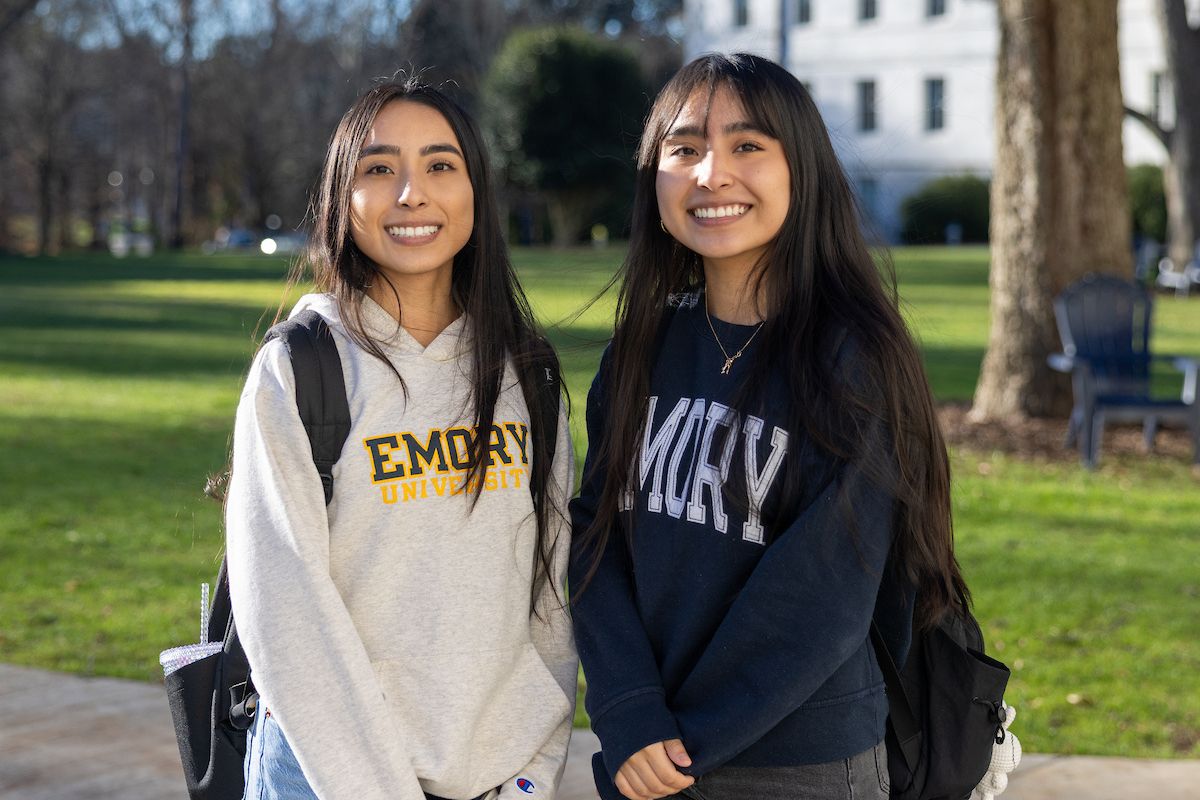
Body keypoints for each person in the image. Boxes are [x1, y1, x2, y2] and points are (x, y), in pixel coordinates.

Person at [568, 53, 969, 800]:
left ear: (801, 169)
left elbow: (824, 591)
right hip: (649, 756)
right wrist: (626, 712)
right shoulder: (643, 346)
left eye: (747, 146)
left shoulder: (853, 356)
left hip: (798, 764)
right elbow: (595, 538)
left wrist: (678, 739)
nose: (711, 173)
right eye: (683, 149)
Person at [224, 77, 577, 800]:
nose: (411, 193)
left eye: (441, 166)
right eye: (378, 169)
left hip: (496, 781)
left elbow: (549, 598)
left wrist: (533, 770)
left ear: (476, 192)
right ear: (340, 199)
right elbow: (284, 618)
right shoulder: (300, 370)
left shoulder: (524, 373)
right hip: (324, 778)